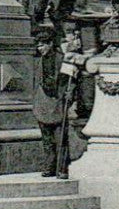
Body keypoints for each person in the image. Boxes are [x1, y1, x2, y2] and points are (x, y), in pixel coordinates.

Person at [33, 27, 87, 179]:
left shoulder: (63, 59)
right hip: (43, 102)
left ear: (50, 44)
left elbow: (72, 79)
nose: (40, 48)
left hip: (57, 101)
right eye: (38, 45)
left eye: (42, 45)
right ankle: (49, 166)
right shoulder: (40, 60)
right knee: (47, 139)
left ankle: (62, 168)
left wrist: (71, 92)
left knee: (60, 138)